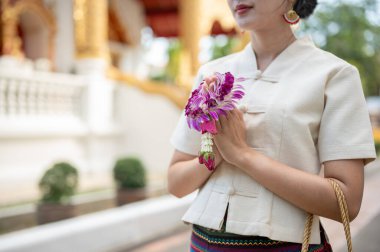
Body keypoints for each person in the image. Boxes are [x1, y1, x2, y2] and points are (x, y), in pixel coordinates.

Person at [168, 0, 377, 251]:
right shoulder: (211, 73)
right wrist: (216, 151)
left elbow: (346, 203)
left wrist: (242, 155)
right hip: (203, 244)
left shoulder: (335, 75)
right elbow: (176, 183)